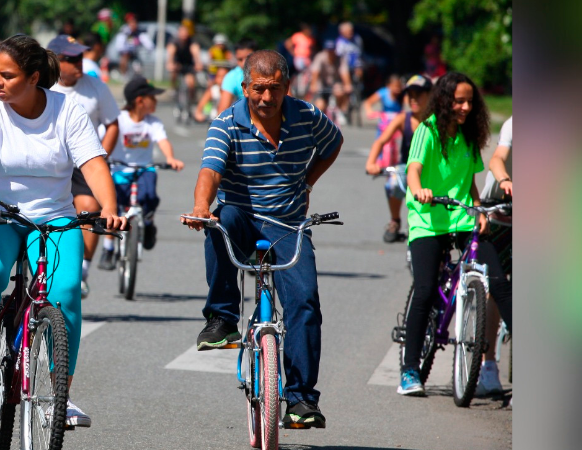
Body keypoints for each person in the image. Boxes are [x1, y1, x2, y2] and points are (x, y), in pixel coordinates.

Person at [0, 34, 126, 429]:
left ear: (33, 77)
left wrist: (110, 208)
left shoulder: (69, 110)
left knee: (64, 294)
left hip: (54, 215)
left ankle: (59, 396)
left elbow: (94, 164)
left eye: (6, 75)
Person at [181, 50, 342, 429]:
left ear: (288, 86)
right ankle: (221, 318)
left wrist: (307, 182)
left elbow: (333, 143)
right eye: (258, 89)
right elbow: (210, 170)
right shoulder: (227, 123)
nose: (266, 98)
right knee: (222, 217)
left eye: (274, 89)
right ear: (245, 87)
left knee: (304, 304)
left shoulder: (307, 116)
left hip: (288, 225)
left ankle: (301, 400)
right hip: (242, 219)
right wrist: (201, 206)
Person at [397, 72, 512, 397]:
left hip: (462, 219)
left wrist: (478, 210)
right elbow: (414, 170)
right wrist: (419, 191)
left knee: (499, 281)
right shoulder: (428, 130)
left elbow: (469, 183)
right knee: (424, 290)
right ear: (445, 100)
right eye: (458, 101)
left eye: (469, 102)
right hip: (428, 220)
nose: (464, 107)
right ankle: (409, 371)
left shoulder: (467, 136)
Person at [46, 35, 120, 297]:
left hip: (84, 162)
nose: (79, 62)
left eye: (81, 57)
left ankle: (83, 270)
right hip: (50, 163)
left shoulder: (96, 87)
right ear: (54, 60)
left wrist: (101, 156)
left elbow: (112, 124)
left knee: (89, 211)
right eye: (71, 58)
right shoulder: (43, 87)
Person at [104, 75, 185, 255]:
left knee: (149, 198)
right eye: (153, 98)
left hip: (144, 169)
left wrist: (170, 157)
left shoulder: (152, 122)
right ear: (140, 101)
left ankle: (148, 223)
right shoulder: (119, 119)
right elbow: (104, 140)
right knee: (113, 207)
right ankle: (107, 248)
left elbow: (162, 140)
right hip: (119, 169)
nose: (156, 101)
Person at [364, 74, 431, 243]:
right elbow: (381, 140)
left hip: (431, 168)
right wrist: (371, 162)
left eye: (419, 95)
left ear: (431, 96)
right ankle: (395, 220)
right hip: (407, 167)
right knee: (393, 183)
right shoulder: (403, 118)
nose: (414, 100)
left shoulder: (436, 120)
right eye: (410, 95)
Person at [475, 115, 512, 396]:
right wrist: (506, 181)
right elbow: (497, 158)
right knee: (497, 289)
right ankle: (488, 366)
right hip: (498, 210)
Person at [210, 39, 258, 122]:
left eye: (248, 58)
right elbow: (222, 112)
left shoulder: (269, 72)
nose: (244, 63)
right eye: (240, 59)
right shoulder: (231, 77)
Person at [165, 19, 203, 116]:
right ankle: (173, 88)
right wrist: (170, 62)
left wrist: (198, 62)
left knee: (191, 84)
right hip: (178, 64)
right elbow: (171, 51)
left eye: (186, 32)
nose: (184, 34)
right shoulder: (175, 41)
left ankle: (191, 101)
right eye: (182, 31)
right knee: (173, 71)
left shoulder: (192, 41)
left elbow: (195, 51)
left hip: (188, 65)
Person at [306, 41, 348, 120]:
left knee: (340, 92)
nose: (330, 52)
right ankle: (319, 119)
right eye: (329, 50)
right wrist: (313, 85)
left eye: (332, 50)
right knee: (320, 105)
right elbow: (315, 72)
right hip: (321, 83)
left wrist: (347, 84)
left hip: (334, 83)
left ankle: (340, 111)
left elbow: (344, 72)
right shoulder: (320, 57)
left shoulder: (340, 58)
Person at [111, 13, 153, 79]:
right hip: (125, 52)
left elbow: (146, 42)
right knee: (124, 58)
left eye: (134, 22)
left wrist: (149, 48)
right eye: (131, 22)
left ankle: (137, 78)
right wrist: (125, 50)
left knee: (137, 67)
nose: (133, 24)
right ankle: (123, 76)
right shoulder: (124, 31)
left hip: (135, 52)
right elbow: (121, 44)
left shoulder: (139, 32)